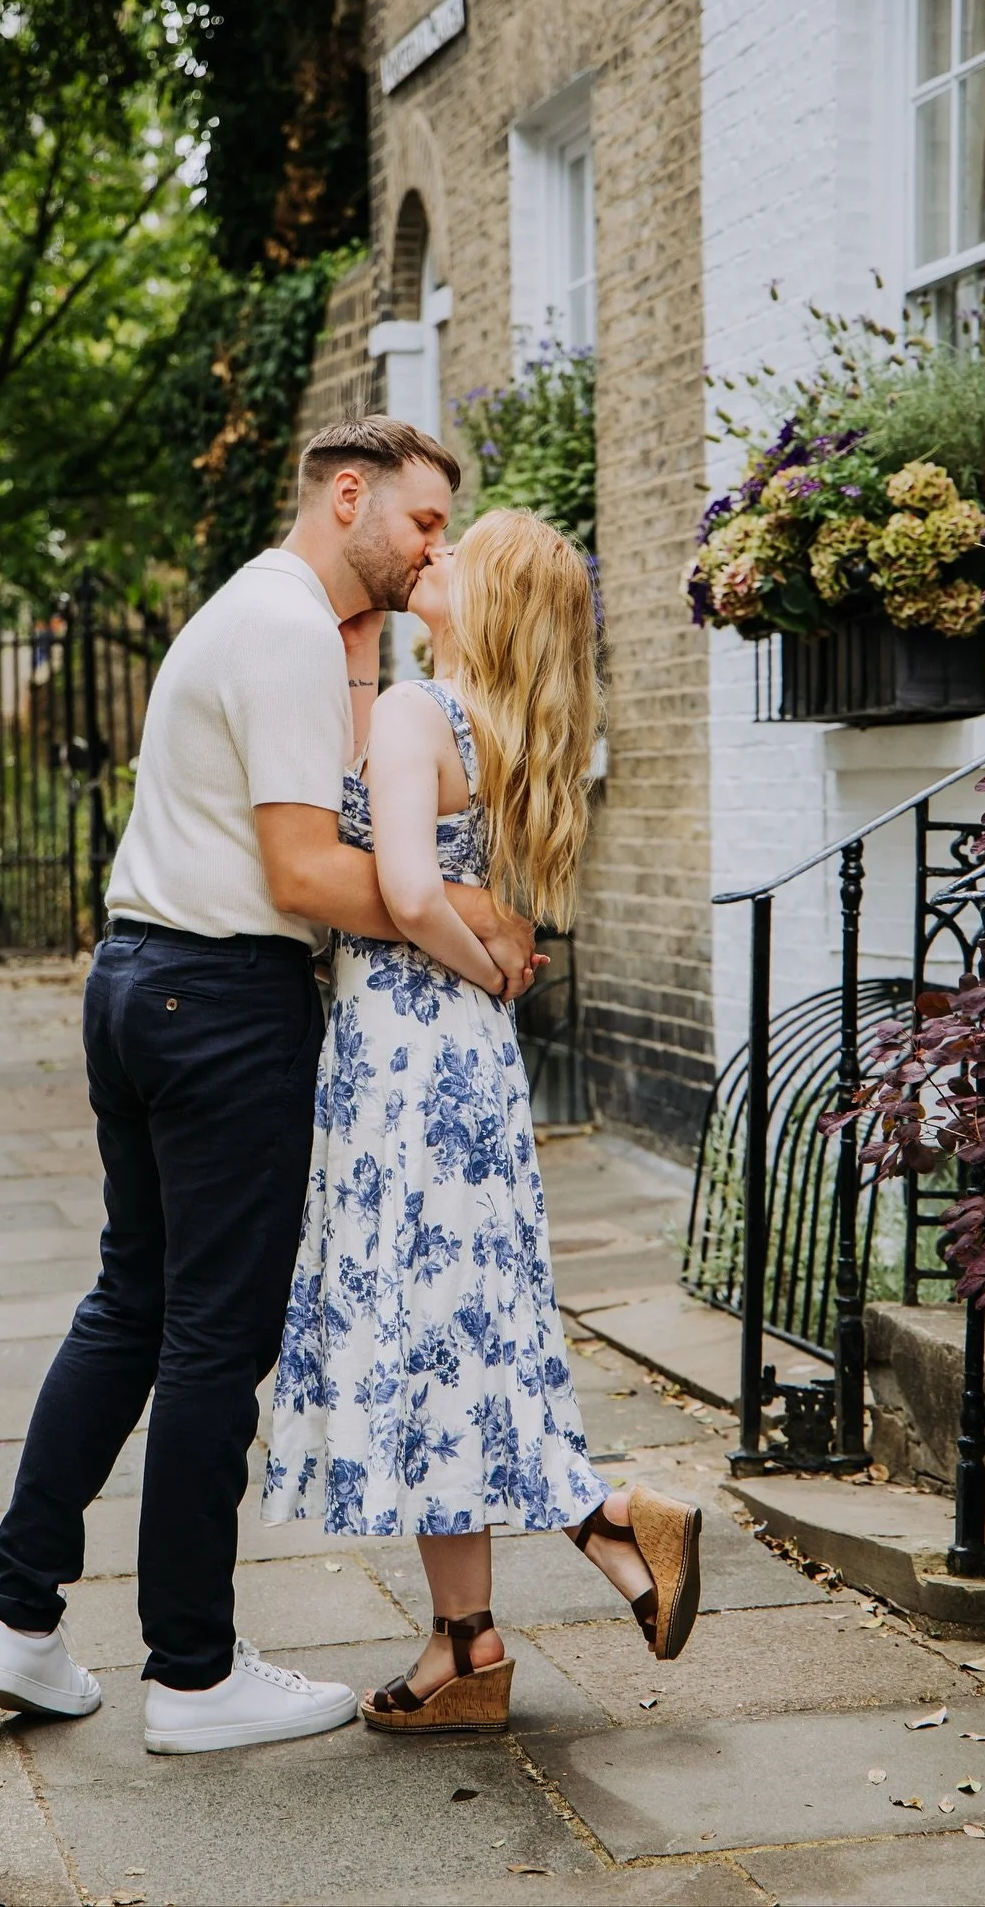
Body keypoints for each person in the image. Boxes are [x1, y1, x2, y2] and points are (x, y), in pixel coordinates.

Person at [0, 419, 539, 1755]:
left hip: (140, 980)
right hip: (221, 999)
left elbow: (328, 812)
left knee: (132, 1305)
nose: (437, 546)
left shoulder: (276, 621)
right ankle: (194, 1676)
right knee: (216, 1335)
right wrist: (473, 914)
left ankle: (21, 1623)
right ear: (350, 497)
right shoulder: (282, 624)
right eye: (425, 522)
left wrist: (363, 673)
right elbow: (306, 873)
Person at [263, 508, 702, 1733]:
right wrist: (491, 971)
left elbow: (404, 890)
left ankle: (604, 1522)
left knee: (427, 1330)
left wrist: (475, 961)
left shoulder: (418, 714)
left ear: (491, 605)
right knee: (451, 1329)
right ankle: (474, 1639)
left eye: (460, 557)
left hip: (406, 1052)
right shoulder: (515, 738)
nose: (433, 558)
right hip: (465, 1064)